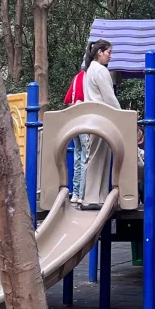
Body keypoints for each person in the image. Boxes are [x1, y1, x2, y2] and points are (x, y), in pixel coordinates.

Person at [80, 39, 119, 210]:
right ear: (100, 52)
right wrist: (121, 115)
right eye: (109, 52)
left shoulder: (90, 70)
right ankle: (91, 198)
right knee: (97, 157)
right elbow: (109, 97)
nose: (110, 56)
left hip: (94, 117)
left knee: (99, 155)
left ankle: (99, 196)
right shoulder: (100, 70)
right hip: (102, 117)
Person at [64, 59, 88, 202]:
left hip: (74, 123)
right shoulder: (89, 78)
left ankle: (75, 193)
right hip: (86, 122)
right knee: (85, 157)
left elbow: (68, 100)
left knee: (77, 156)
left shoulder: (76, 78)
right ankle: (83, 194)